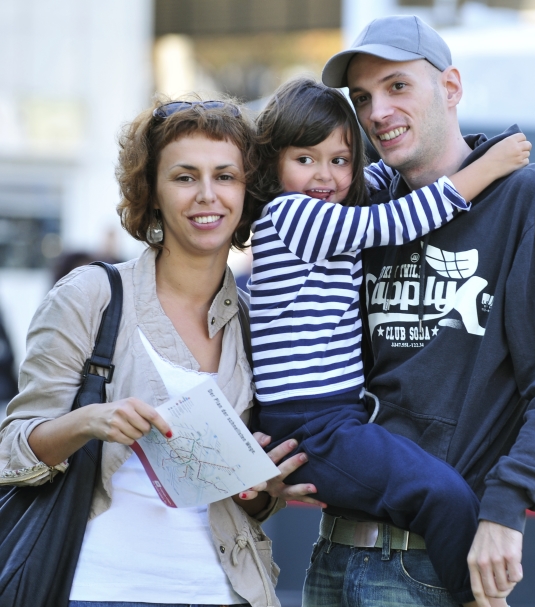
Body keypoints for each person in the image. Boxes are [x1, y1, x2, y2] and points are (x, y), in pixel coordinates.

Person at [302, 15, 535, 607]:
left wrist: (505, 508)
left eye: (397, 86)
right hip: (331, 549)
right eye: (362, 98)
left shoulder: (527, 198)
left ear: (452, 87)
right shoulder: (361, 208)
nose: (377, 112)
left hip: (430, 566)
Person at [0, 97, 319, 607]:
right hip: (97, 589)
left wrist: (264, 487)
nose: (207, 196)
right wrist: (90, 421)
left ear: (247, 192)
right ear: (152, 193)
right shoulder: (93, 296)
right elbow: (10, 451)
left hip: (222, 590)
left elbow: (247, 502)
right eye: (185, 177)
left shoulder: (257, 322)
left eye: (226, 176)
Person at [242, 77, 530, 606]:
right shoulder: (290, 216)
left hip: (332, 419)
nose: (324, 176)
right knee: (442, 494)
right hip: (313, 424)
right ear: (273, 164)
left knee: (435, 492)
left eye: (339, 159)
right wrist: (488, 167)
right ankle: (479, 601)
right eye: (305, 159)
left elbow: (378, 180)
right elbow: (398, 220)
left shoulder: (328, 210)